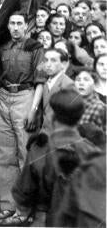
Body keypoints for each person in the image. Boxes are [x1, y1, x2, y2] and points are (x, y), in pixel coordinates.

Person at [11, 89, 97, 227]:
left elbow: (22, 193)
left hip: (44, 219)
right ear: (80, 117)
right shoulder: (91, 151)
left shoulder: (40, 148)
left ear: (53, 117)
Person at [0, 12, 45, 221]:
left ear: (26, 25)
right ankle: (8, 205)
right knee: (4, 155)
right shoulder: (3, 46)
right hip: (4, 96)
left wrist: (33, 109)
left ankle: (25, 208)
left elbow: (40, 80)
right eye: (11, 23)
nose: (14, 27)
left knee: (25, 154)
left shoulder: (35, 47)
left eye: (18, 23)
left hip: (25, 96)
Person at [41, 48, 75, 134]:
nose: (48, 64)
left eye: (53, 60)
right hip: (43, 132)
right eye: (46, 60)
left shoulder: (68, 84)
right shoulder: (44, 82)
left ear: (63, 64)